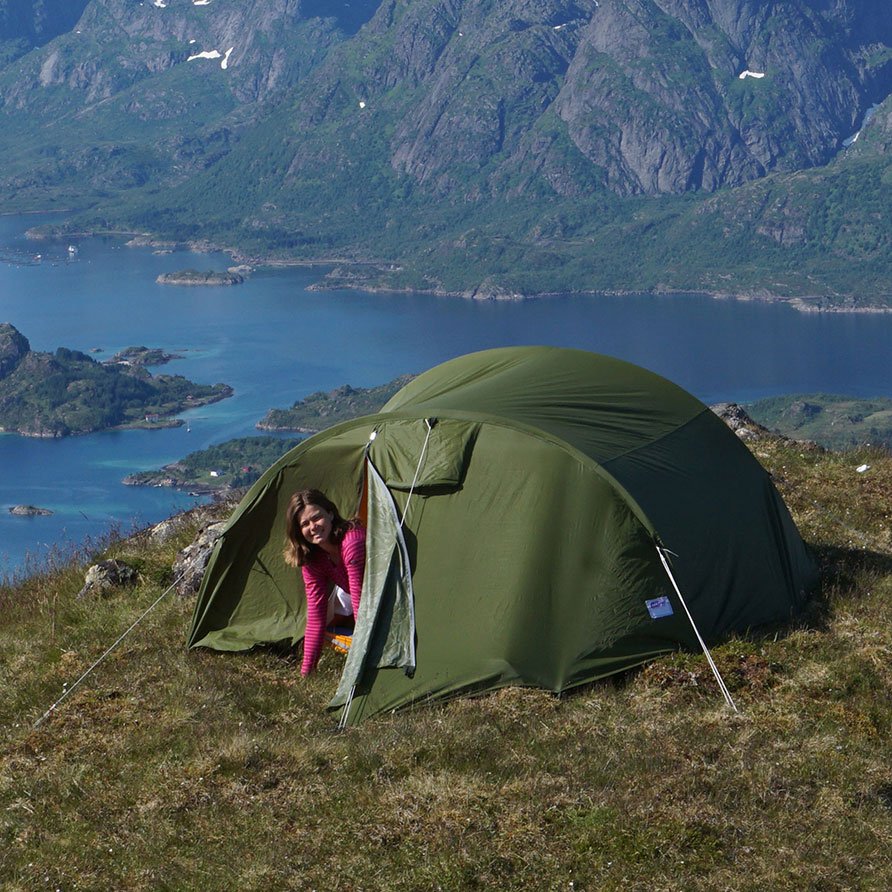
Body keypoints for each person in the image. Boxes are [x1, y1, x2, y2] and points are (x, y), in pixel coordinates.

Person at [283, 489, 366, 677]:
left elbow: (363, 606)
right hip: (365, 604)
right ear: (299, 531)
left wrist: (361, 665)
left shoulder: (352, 542)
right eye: (305, 524)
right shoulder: (314, 559)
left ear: (330, 513)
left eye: (317, 518)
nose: (313, 527)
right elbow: (316, 615)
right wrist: (307, 672)